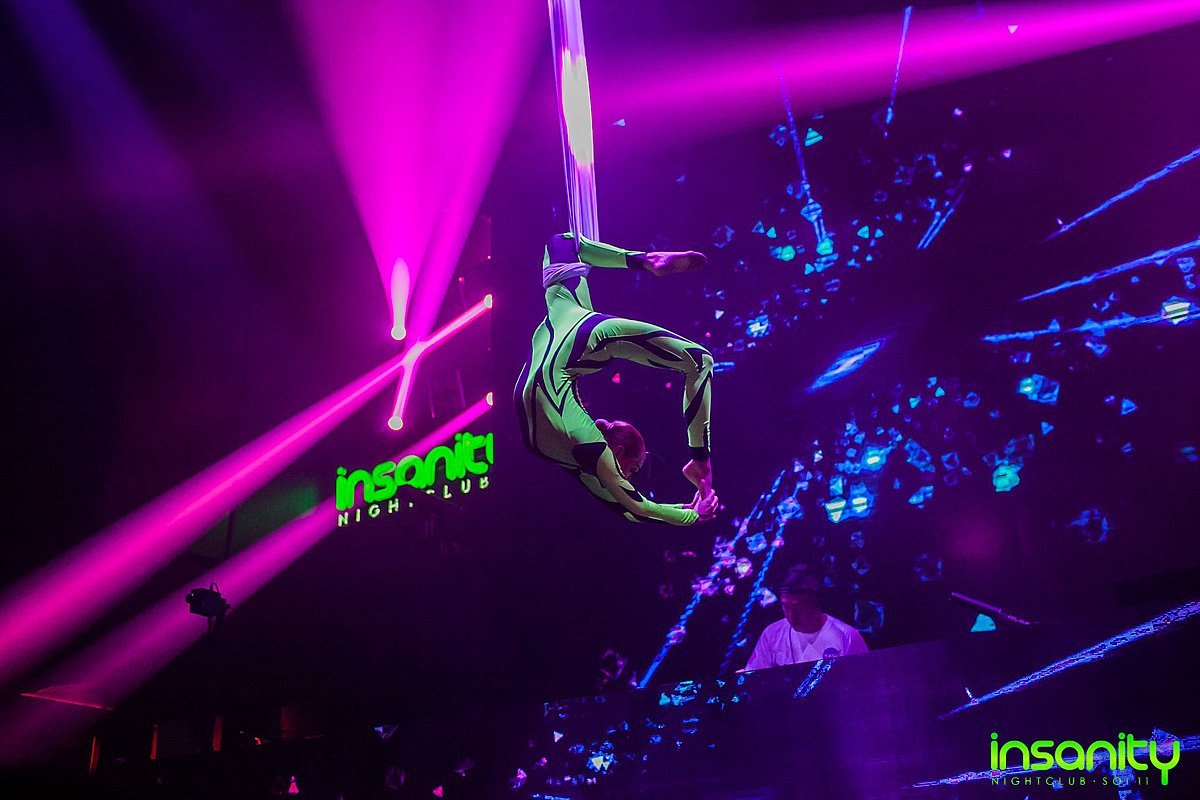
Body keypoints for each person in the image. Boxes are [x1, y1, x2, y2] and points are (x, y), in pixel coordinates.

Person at [515, 232, 717, 525]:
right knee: (700, 361)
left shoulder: (583, 451)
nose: (628, 477)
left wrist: (688, 512)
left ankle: (646, 260)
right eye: (632, 469)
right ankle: (700, 462)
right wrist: (690, 514)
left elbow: (629, 508)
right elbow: (635, 505)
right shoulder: (583, 443)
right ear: (617, 452)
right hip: (579, 337)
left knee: (564, 242)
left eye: (632, 471)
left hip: (571, 327)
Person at [744, 566, 869, 671]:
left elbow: (863, 680)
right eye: (786, 607)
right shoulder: (771, 634)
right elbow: (754, 676)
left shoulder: (847, 636)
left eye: (798, 607)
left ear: (815, 603)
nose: (792, 615)